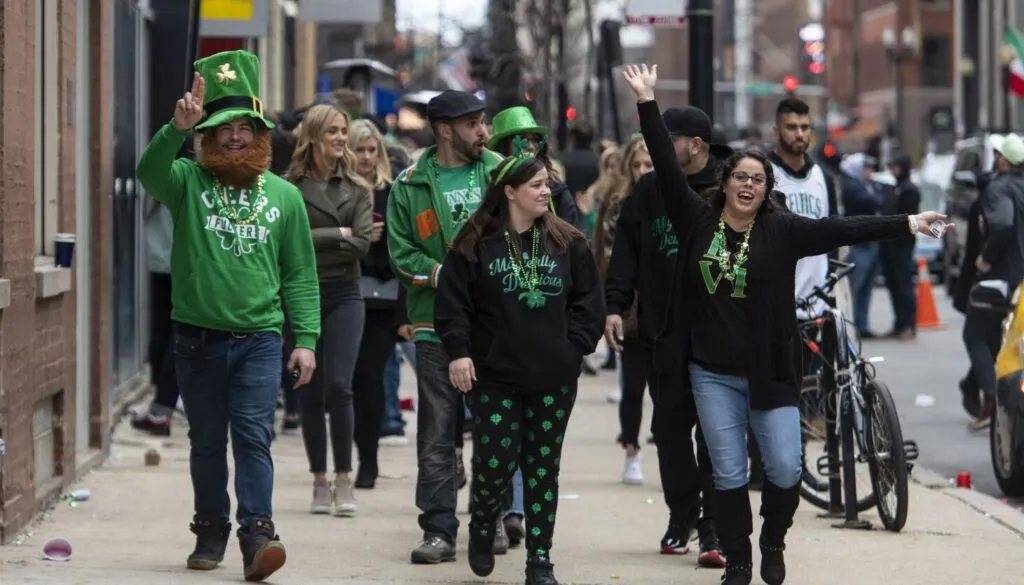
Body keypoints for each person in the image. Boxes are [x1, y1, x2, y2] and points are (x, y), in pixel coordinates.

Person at [623, 63, 950, 585]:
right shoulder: (696, 220)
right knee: (728, 472)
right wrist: (647, 100)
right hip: (711, 372)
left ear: (766, 188)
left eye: (757, 179)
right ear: (725, 183)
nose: (748, 185)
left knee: (784, 467)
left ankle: (772, 539)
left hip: (771, 371)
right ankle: (739, 562)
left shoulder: (783, 231)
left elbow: (844, 227)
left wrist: (909, 222)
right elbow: (665, 162)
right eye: (740, 177)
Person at [136, 50, 320, 582]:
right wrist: (175, 129)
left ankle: (258, 533)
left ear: (260, 133)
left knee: (253, 436)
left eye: (245, 128)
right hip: (196, 339)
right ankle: (210, 527)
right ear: (208, 136)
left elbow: (300, 274)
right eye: (224, 129)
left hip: (260, 338)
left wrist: (305, 338)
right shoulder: (187, 182)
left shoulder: (285, 197)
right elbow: (148, 173)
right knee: (206, 440)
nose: (235, 137)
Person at [434, 154, 604, 585]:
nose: (546, 191)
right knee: (496, 461)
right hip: (495, 377)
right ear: (509, 192)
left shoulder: (569, 242)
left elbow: (589, 304)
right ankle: (482, 523)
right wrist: (459, 352)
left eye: (547, 184)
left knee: (543, 469)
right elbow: (453, 306)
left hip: (553, 377)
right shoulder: (475, 243)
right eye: (536, 185)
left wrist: (574, 350)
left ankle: (540, 560)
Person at [604, 105, 730, 565]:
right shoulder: (649, 189)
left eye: (667, 139)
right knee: (670, 432)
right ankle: (682, 516)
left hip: (718, 335)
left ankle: (714, 527)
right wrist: (615, 306)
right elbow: (626, 251)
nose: (657, 149)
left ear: (694, 145)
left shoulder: (730, 184)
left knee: (715, 436)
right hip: (664, 332)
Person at [386, 90, 504, 564]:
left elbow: (533, 232)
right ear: (444, 130)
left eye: (483, 121)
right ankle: (438, 529)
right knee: (437, 430)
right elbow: (401, 254)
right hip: (433, 325)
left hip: (494, 326)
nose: (483, 132)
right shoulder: (409, 184)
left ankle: (491, 518)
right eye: (473, 124)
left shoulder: (500, 172)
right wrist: (445, 276)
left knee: (495, 427)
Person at [487, 105, 584, 549]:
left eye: (533, 140)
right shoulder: (488, 200)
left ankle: (519, 516)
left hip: (549, 340)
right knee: (499, 438)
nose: (526, 147)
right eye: (516, 141)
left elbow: (580, 267)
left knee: (538, 446)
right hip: (499, 343)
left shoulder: (557, 194)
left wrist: (573, 344)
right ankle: (495, 511)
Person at [286, 104, 373, 515]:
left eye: (343, 130)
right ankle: (319, 479)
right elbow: (288, 243)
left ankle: (343, 477)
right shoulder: (289, 187)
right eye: (332, 131)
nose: (340, 138)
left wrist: (314, 237)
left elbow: (362, 244)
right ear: (313, 136)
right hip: (301, 293)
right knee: (309, 385)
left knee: (340, 384)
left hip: (344, 294)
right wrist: (339, 232)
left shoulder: (357, 188)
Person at [348, 119, 402, 487]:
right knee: (346, 381)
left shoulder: (393, 192)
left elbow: (406, 244)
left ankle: (369, 458)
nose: (367, 157)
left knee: (371, 377)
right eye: (360, 150)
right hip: (345, 290)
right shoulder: (341, 190)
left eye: (372, 150)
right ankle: (352, 453)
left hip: (383, 296)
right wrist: (358, 236)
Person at [965, 133, 1024, 429]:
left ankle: (992, 399)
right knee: (1001, 338)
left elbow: (1002, 223)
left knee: (975, 334)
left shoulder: (998, 189)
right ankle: (974, 390)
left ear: (1002, 160)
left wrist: (986, 257)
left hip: (1004, 277)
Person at [838, 153, 884, 336]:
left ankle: (862, 325)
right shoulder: (852, 186)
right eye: (866, 168)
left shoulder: (868, 185)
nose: (870, 172)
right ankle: (851, 325)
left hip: (872, 242)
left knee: (867, 288)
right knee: (855, 287)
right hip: (859, 244)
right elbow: (875, 201)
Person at [877, 154, 921, 341]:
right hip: (889, 245)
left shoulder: (909, 190)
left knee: (904, 286)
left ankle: (908, 324)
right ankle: (899, 323)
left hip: (902, 246)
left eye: (896, 166)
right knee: (894, 285)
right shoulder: (895, 188)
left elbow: (908, 218)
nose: (893, 170)